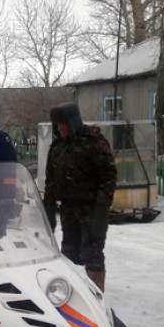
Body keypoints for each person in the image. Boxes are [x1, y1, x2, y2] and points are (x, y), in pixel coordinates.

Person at [43, 102, 116, 292]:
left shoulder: (94, 142)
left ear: (72, 122)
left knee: (92, 253)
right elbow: (50, 179)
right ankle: (75, 294)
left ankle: (97, 296)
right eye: (57, 125)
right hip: (68, 207)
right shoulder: (58, 147)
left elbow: (108, 177)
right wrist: (48, 208)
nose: (59, 128)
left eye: (63, 124)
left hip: (91, 208)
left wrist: (101, 210)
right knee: (69, 253)